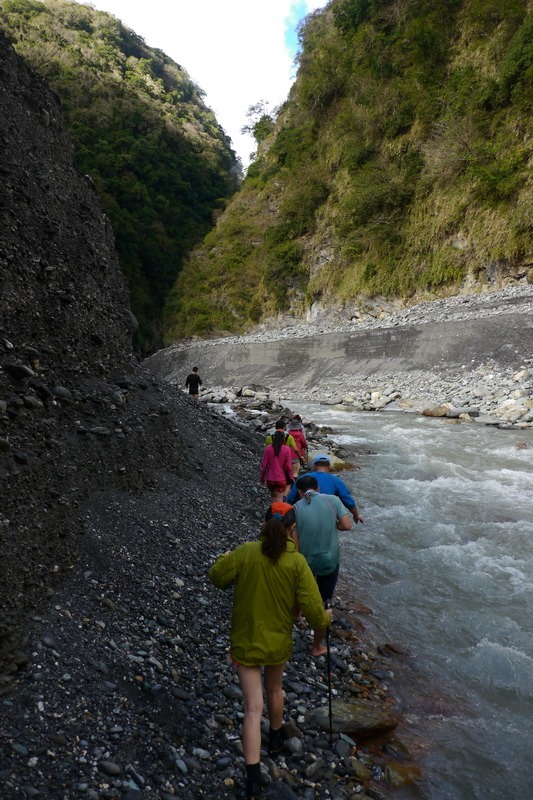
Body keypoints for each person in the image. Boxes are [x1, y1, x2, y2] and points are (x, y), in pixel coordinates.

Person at [209, 510, 331, 799]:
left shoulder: (246, 552)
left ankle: (252, 779)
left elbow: (217, 577)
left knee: (253, 709)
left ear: (264, 524)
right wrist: (326, 617)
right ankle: (275, 738)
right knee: (275, 689)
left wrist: (225, 559)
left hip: (246, 642)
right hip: (277, 644)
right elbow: (314, 613)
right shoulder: (297, 562)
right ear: (291, 530)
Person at [293, 475, 352, 649]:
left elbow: (295, 542)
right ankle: (317, 645)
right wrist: (336, 526)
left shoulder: (296, 507)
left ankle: (297, 614)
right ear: (318, 489)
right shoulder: (333, 500)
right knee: (324, 599)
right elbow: (347, 525)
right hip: (329, 559)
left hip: (307, 560)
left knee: (301, 589)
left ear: (300, 492)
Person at [286, 454, 364, 523]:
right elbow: (347, 500)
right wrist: (356, 514)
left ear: (314, 466)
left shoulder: (302, 478)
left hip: (305, 515)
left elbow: (291, 499)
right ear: (329, 466)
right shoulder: (336, 480)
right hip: (326, 517)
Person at [260, 430, 293, 502]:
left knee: (273, 497)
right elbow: (289, 466)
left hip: (270, 479)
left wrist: (262, 477)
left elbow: (264, 464)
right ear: (283, 438)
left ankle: (272, 512)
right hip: (281, 479)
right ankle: (278, 513)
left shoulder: (268, 448)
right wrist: (290, 478)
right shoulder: (287, 449)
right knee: (279, 500)